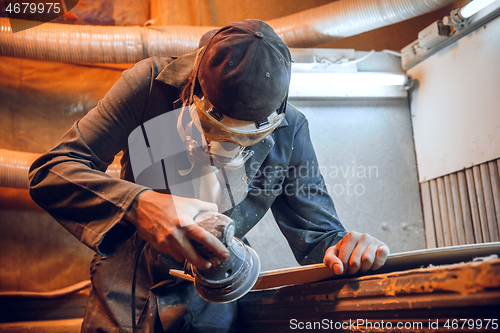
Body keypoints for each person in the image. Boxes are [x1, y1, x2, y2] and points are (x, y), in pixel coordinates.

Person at [29, 19, 389, 333]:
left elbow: (320, 237)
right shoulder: (150, 85)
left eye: (245, 138)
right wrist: (140, 204)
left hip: (218, 288)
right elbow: (51, 171)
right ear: (195, 89)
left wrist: (348, 248)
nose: (226, 151)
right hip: (127, 284)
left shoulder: (291, 129)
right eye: (213, 130)